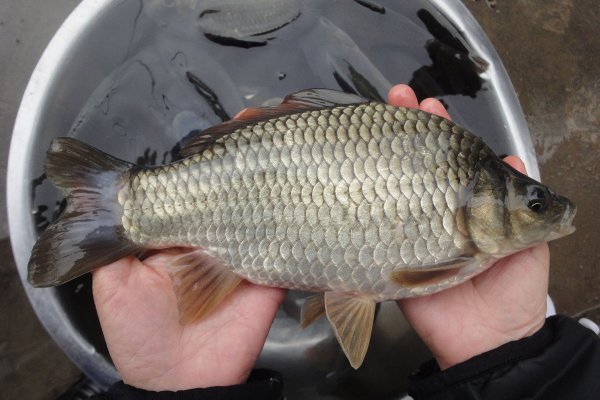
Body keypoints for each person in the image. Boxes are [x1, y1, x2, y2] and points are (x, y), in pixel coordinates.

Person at [90, 85, 600, 400]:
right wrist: (514, 363)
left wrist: (174, 393)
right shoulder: (460, 249)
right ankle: (122, 204)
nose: (548, 214)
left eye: (536, 206)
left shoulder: (465, 224)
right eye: (536, 206)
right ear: (485, 196)